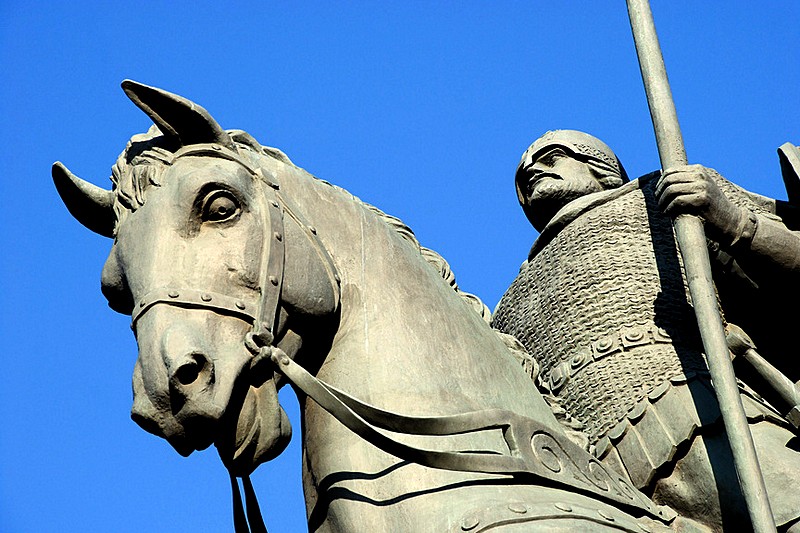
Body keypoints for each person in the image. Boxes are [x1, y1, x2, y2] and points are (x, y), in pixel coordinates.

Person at [492, 130, 800, 531]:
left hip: (696, 405)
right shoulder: (510, 299)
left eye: (551, 156)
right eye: (523, 174)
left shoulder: (662, 193)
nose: (533, 169)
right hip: (597, 473)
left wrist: (731, 219)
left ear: (599, 166)